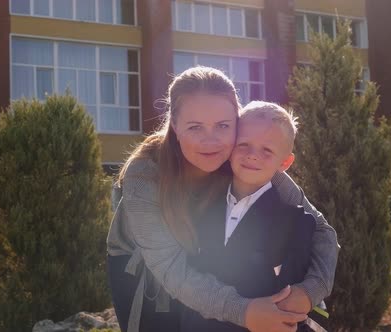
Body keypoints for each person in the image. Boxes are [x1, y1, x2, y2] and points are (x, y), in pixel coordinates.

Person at [106, 66, 339, 332]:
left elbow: (321, 229)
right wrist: (245, 312)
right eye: (195, 127)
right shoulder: (144, 174)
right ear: (174, 124)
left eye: (223, 126)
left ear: (237, 125)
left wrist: (311, 291)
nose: (211, 141)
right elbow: (170, 268)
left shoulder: (242, 157)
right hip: (144, 269)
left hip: (198, 257)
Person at [180, 101, 329, 332]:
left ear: (285, 163)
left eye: (267, 150)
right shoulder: (200, 204)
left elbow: (288, 307)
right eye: (244, 144)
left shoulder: (297, 224)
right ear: (230, 148)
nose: (252, 155)